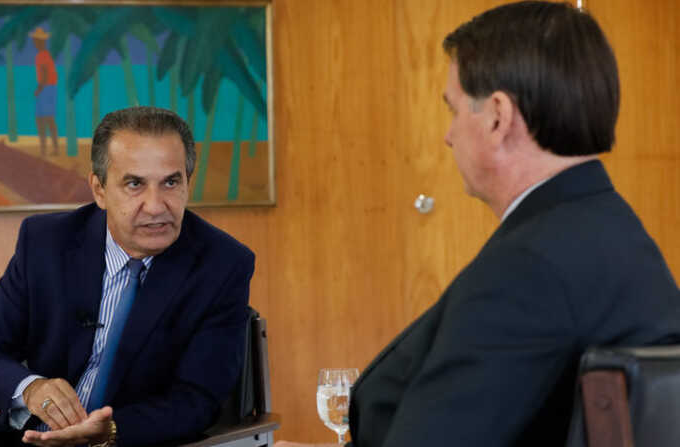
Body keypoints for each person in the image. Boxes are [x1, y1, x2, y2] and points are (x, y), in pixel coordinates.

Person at [278, 2, 680, 446]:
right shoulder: (611, 231)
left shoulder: (531, 267)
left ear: (497, 117)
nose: (448, 135)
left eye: (453, 110)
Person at [0, 107, 254, 447]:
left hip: (128, 441)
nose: (156, 205)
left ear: (188, 182)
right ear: (99, 190)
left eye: (171, 182)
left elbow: (196, 399)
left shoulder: (222, 265)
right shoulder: (46, 243)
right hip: (24, 437)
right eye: (134, 184)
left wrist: (107, 432)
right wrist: (31, 389)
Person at [30, 27, 59, 156]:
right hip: (48, 88)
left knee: (45, 120)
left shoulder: (42, 56)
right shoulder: (44, 55)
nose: (34, 43)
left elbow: (45, 75)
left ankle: (49, 149)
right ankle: (46, 149)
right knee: (44, 120)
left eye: (36, 40)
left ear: (40, 42)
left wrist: (39, 89)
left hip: (46, 88)